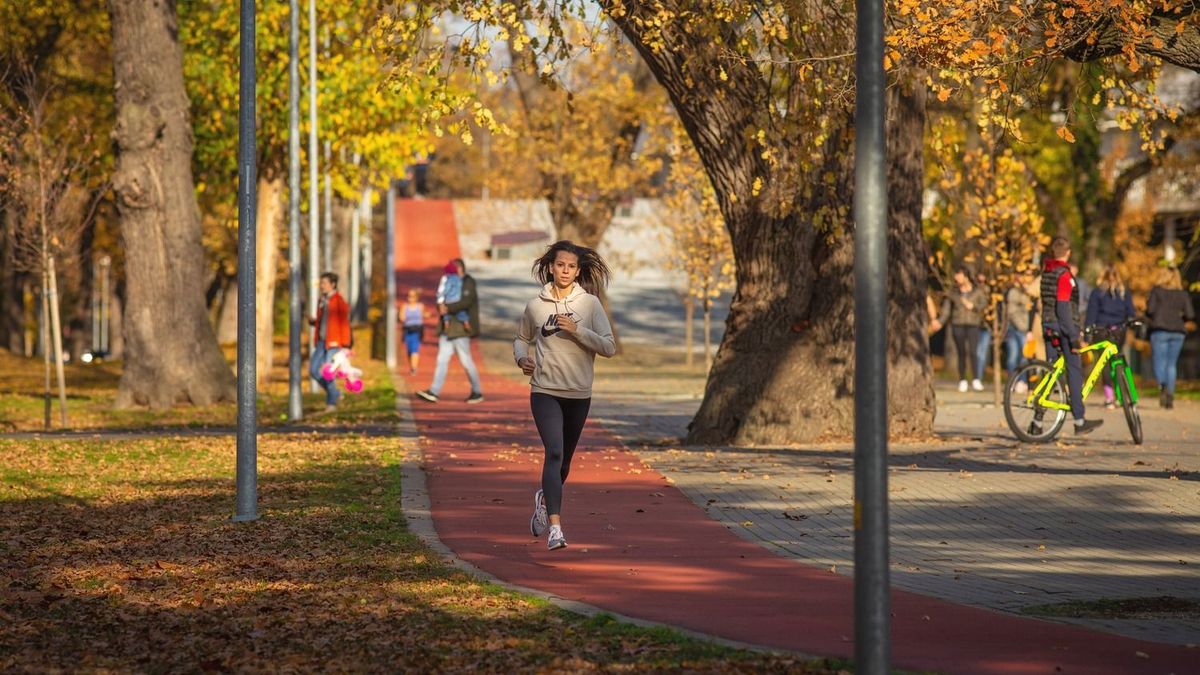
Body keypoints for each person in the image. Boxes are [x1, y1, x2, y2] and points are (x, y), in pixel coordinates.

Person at [516, 241, 616, 551]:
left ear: (578, 270)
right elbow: (521, 339)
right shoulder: (536, 305)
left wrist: (577, 330)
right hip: (545, 390)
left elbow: (609, 347)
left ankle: (546, 497)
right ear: (550, 266)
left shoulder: (590, 305)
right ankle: (556, 529)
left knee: (564, 462)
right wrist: (522, 359)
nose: (565, 271)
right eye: (560, 265)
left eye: (571, 267)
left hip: (579, 393)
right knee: (554, 452)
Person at [1038, 237, 1102, 435]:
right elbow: (1063, 307)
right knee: (1074, 371)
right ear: (1068, 253)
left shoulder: (1046, 272)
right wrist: (1073, 336)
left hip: (1048, 325)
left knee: (1050, 372)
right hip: (1063, 327)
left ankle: (1037, 421)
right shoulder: (1064, 275)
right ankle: (1079, 420)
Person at [415, 259, 484, 404]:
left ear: (459, 269)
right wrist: (441, 306)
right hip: (447, 330)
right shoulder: (448, 280)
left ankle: (477, 391)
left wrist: (447, 307)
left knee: (466, 361)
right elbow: (441, 296)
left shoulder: (468, 282)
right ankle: (434, 391)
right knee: (441, 360)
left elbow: (466, 301)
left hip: (460, 330)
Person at [1084, 265, 1136, 409]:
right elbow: (1130, 311)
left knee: (1104, 363)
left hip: (1102, 330)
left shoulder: (1097, 292)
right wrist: (1131, 321)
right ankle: (1121, 396)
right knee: (1117, 359)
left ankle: (1109, 397)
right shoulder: (1123, 292)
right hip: (1119, 330)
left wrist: (1088, 330)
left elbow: (1091, 314)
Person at [1146, 266, 1195, 409]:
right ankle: (1170, 394)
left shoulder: (1157, 291)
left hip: (1160, 329)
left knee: (1159, 361)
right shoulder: (1182, 294)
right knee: (1171, 364)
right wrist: (1180, 318)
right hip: (1178, 331)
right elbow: (1190, 314)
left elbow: (1150, 310)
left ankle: (1162, 386)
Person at [931, 268, 987, 392]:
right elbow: (946, 310)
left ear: (966, 276)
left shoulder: (977, 291)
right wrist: (940, 321)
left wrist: (974, 306)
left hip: (973, 324)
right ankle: (962, 380)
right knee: (961, 352)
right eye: (956, 276)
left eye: (959, 275)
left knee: (973, 351)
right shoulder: (954, 293)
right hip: (958, 324)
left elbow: (984, 304)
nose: (957, 278)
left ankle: (976, 379)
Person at [308, 272, 351, 412]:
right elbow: (324, 322)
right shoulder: (322, 300)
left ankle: (331, 404)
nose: (321, 286)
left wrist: (345, 344)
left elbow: (344, 323)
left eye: (324, 283)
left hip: (334, 342)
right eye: (321, 283)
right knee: (313, 370)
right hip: (321, 341)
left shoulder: (339, 301)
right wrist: (313, 322)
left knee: (328, 372)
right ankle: (336, 393)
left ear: (332, 285)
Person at [1003, 271, 1037, 392]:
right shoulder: (1013, 292)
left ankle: (1022, 381)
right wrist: (1024, 328)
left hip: (1025, 329)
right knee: (1013, 356)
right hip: (1015, 329)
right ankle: (1013, 381)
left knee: (1024, 357)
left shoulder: (1030, 293)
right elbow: (1012, 313)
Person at [436, 260, 471, 335]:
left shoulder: (449, 279)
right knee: (462, 313)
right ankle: (466, 323)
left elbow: (446, 289)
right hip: (457, 299)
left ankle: (446, 325)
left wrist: (441, 295)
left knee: (446, 314)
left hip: (449, 300)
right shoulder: (459, 279)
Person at [401, 288, 428, 376]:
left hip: (417, 330)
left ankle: (414, 368)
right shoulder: (405, 306)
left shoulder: (420, 306)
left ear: (416, 297)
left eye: (412, 296)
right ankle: (412, 366)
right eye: (409, 296)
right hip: (408, 330)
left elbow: (424, 314)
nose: (410, 298)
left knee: (415, 349)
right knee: (409, 350)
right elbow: (402, 317)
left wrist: (426, 315)